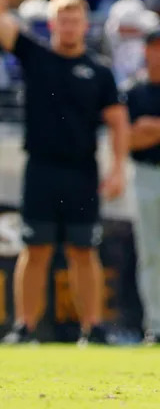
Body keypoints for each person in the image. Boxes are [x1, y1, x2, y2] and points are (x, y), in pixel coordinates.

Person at [0, 0, 128, 345]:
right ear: (52, 25)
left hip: (82, 170)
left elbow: (118, 122)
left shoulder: (99, 71)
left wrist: (118, 168)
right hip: (42, 168)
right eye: (62, 19)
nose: (69, 26)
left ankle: (92, 328)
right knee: (36, 249)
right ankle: (24, 327)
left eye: (75, 19)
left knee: (85, 250)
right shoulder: (37, 57)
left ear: (86, 24)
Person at [122, 29, 160, 344]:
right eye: (154, 48)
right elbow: (128, 139)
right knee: (150, 253)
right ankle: (155, 324)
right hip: (146, 172)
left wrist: (151, 127)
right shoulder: (134, 91)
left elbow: (142, 131)